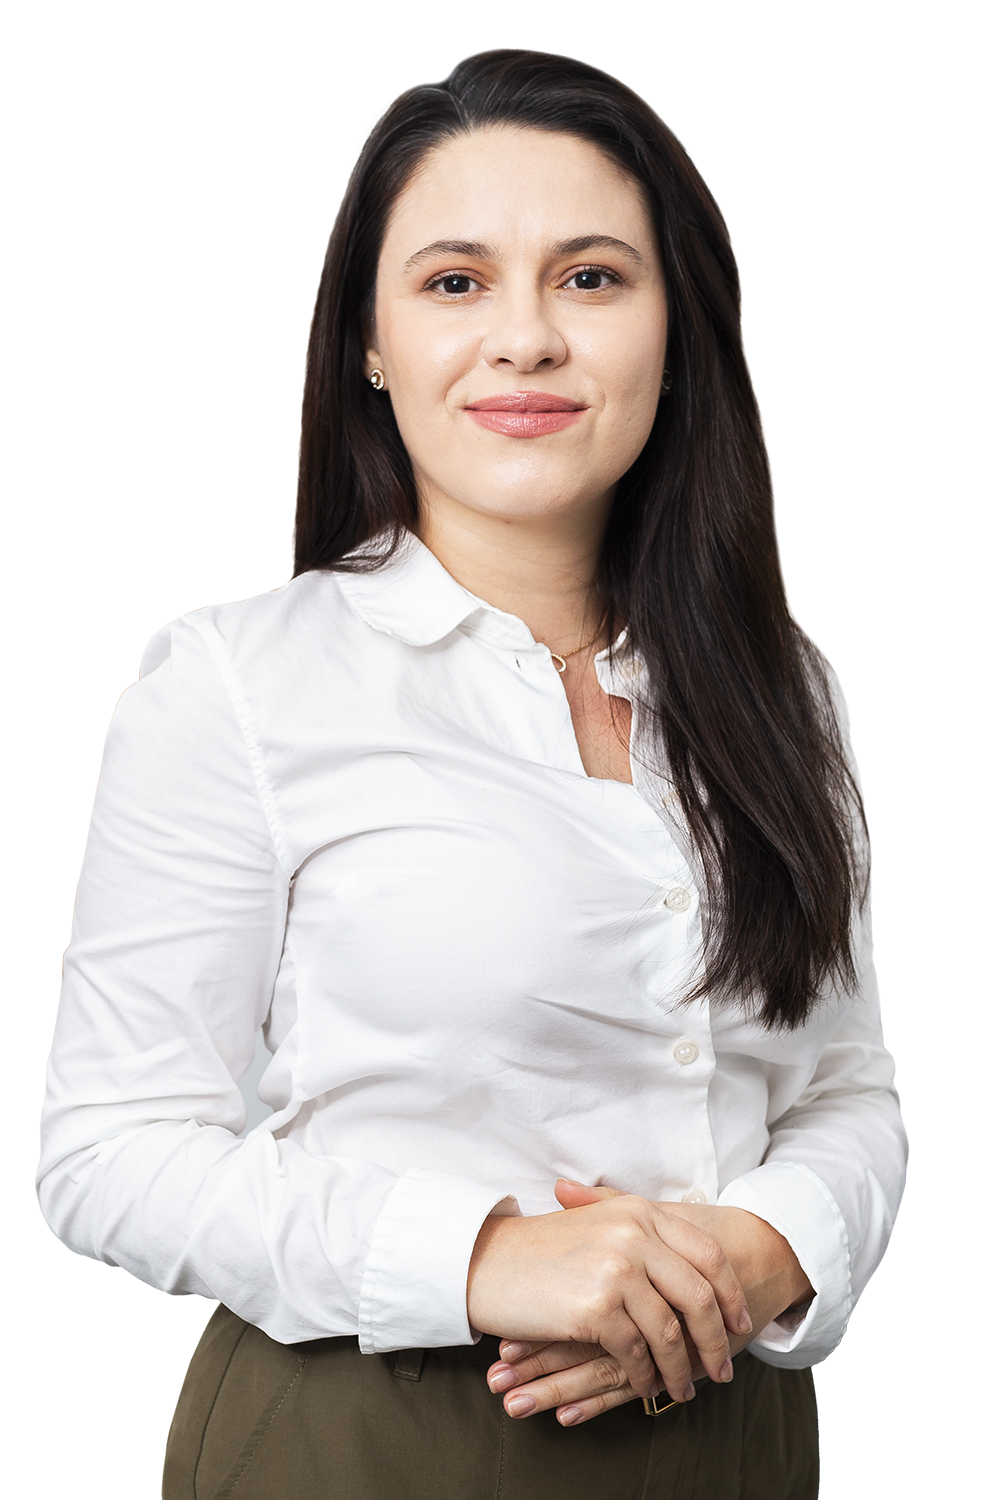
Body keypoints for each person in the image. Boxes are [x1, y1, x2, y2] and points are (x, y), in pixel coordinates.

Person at [37, 49, 907, 1500]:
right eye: (455, 282)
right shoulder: (240, 687)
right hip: (373, 1433)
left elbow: (845, 1090)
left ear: (678, 332)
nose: (525, 339)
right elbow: (108, 1155)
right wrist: (488, 1257)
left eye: (591, 278)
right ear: (370, 345)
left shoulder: (780, 690)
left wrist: (763, 1252)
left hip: (738, 1430)